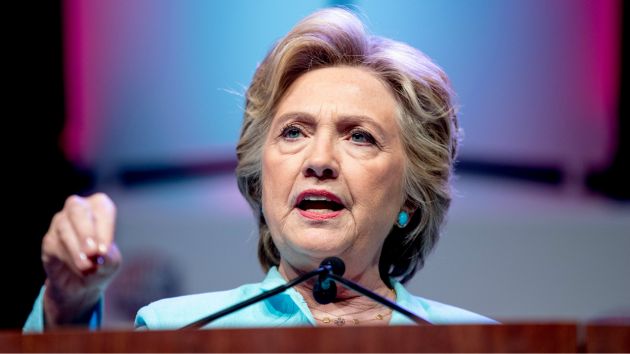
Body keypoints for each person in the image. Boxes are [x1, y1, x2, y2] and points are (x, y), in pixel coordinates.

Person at [24, 8, 495, 331]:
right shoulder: (174, 331)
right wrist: (66, 306)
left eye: (360, 136)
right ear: (260, 176)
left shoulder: (478, 343)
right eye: (294, 132)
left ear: (410, 199)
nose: (319, 160)